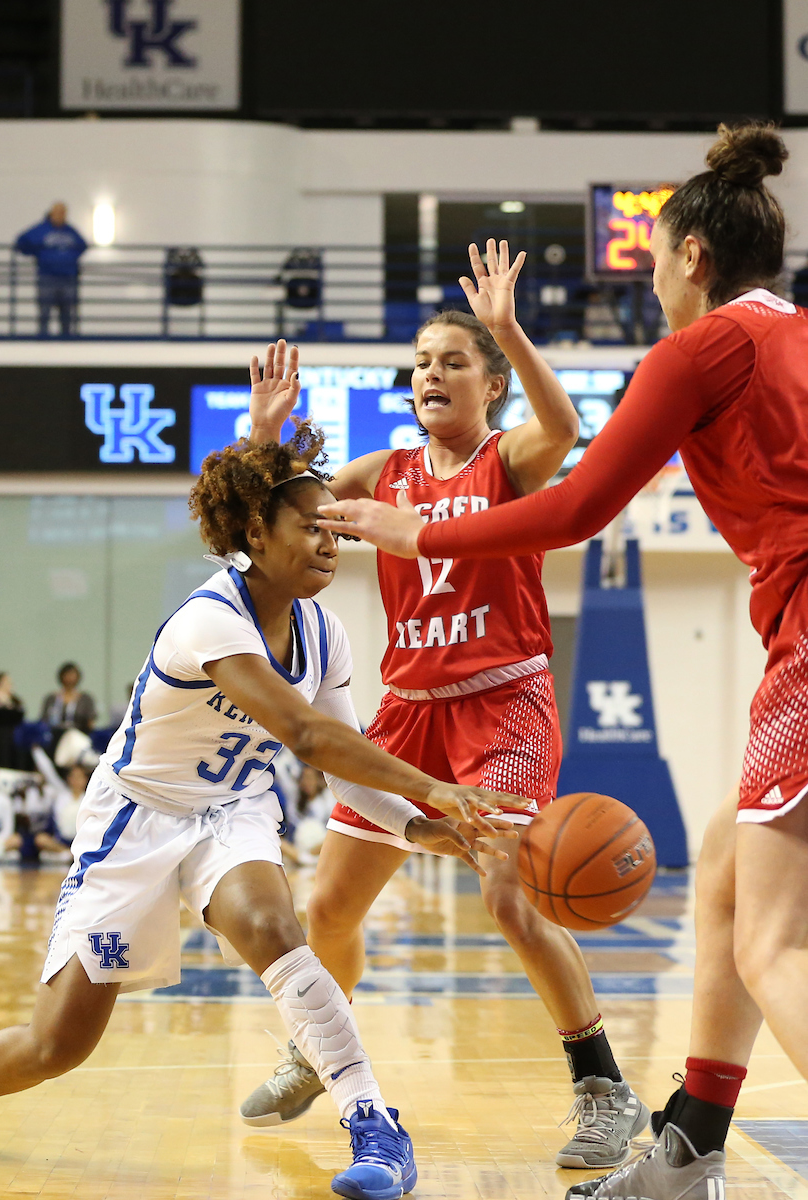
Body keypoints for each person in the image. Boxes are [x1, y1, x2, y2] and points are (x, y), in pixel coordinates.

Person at [0, 404, 522, 1200]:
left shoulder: (324, 634)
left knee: (274, 926)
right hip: (136, 819)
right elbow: (303, 734)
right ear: (255, 534)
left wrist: (424, 826)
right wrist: (434, 787)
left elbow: (350, 769)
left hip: (231, 811)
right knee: (59, 1045)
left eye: (336, 528)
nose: (332, 540)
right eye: (312, 526)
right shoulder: (207, 620)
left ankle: (374, 1124)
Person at [317, 123, 807, 1200]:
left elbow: (578, 505)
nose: (653, 296)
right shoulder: (798, 337)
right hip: (426, 702)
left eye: (655, 269)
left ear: (692, 258)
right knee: (725, 858)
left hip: (793, 634)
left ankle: (621, 1099)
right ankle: (692, 1146)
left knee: (774, 947)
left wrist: (418, 534)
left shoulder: (701, 348)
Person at [241, 296, 646, 1169]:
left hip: (505, 703)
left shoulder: (509, 459)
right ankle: (317, 1048)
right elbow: (273, 508)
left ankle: (605, 1088)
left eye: (453, 361)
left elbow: (565, 423)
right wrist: (263, 433)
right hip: (410, 712)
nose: (430, 372)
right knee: (329, 907)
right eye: (423, 360)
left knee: (510, 897)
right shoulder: (383, 471)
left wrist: (508, 328)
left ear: (491, 384)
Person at [14, 203, 88, 337]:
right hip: (47, 278)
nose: (61, 216)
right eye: (58, 212)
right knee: (44, 313)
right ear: (51, 213)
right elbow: (21, 242)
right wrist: (36, 253)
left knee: (68, 314)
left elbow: (83, 245)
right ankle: (43, 338)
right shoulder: (41, 230)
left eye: (63, 213)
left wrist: (70, 260)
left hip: (68, 278)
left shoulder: (70, 231)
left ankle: (68, 339)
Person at [40, 663, 97, 732]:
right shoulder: (51, 698)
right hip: (55, 734)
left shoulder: (86, 699)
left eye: (72, 675)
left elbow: (90, 722)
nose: (69, 678)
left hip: (79, 734)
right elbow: (44, 720)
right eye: (67, 675)